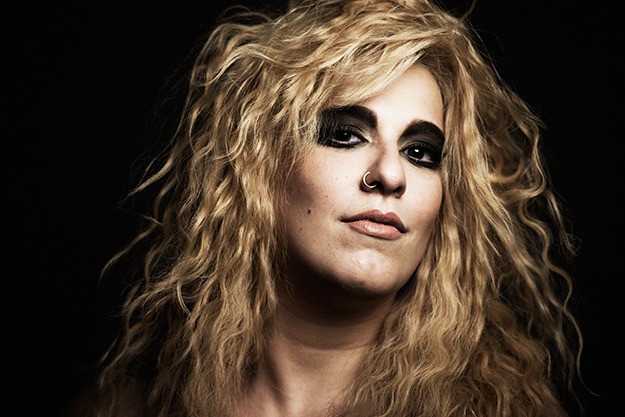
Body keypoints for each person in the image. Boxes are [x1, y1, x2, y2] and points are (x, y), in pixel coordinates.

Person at [67, 0, 584, 416]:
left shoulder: (504, 407)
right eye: (345, 135)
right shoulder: (128, 405)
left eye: (420, 153)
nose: (391, 174)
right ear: (260, 168)